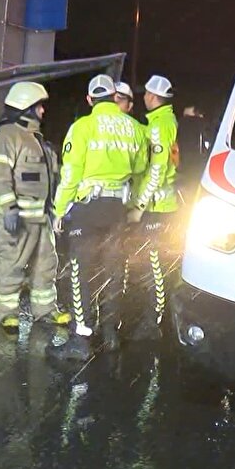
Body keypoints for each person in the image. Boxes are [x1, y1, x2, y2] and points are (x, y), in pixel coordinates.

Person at [50, 74, 148, 361]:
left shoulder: (82, 127)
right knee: (113, 269)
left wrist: (59, 209)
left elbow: (70, 174)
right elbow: (141, 166)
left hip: (88, 209)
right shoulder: (134, 127)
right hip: (117, 208)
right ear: (114, 97)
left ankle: (80, 340)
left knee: (80, 271)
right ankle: (110, 333)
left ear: (90, 99)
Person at [0, 82, 72, 333]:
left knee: (46, 265)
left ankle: (45, 310)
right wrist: (9, 208)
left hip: (42, 217)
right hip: (19, 216)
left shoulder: (37, 139)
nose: (43, 111)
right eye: (39, 106)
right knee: (12, 264)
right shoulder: (6, 136)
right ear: (25, 107)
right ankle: (7, 313)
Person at [123, 74, 180, 338]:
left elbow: (156, 171)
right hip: (163, 206)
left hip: (157, 207)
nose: (142, 98)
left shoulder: (159, 126)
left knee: (156, 264)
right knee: (156, 262)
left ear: (153, 97)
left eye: (145, 94)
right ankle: (156, 317)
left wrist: (139, 206)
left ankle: (154, 322)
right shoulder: (162, 121)